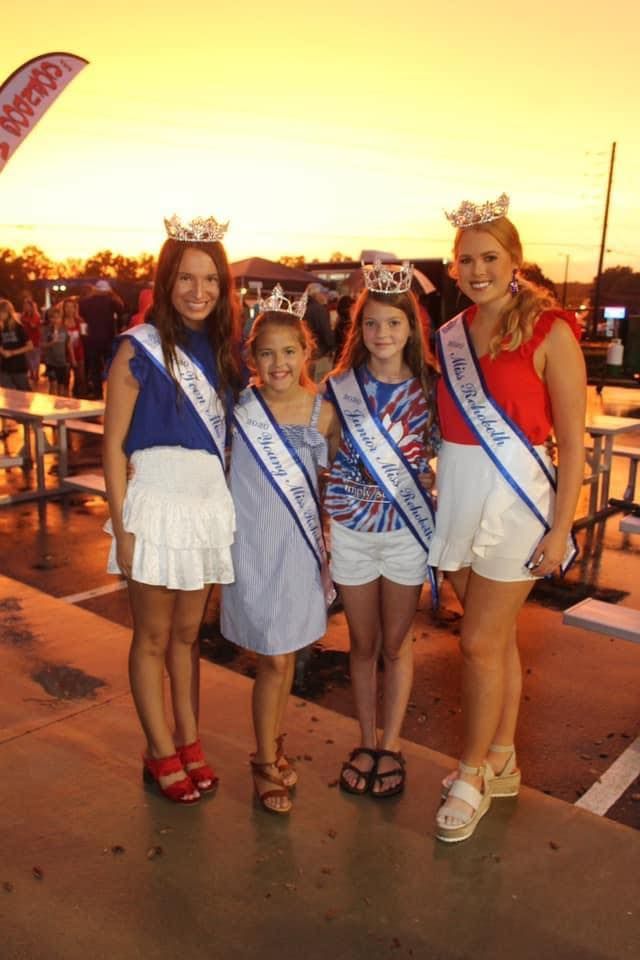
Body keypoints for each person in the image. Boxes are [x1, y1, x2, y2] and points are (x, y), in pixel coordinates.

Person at [430, 194, 586, 842]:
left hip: (516, 500)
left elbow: (575, 442)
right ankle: (502, 757)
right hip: (459, 494)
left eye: (489, 256)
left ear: (515, 260)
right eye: (466, 259)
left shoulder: (551, 329)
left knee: (475, 643)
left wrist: (561, 526)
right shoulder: (451, 333)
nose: (477, 268)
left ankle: (471, 771)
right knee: (496, 641)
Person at [103, 214, 241, 805]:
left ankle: (189, 740)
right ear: (166, 282)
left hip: (205, 500)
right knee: (153, 637)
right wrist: (125, 526)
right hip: (154, 501)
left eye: (209, 279)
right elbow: (111, 443)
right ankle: (159, 749)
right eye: (186, 278)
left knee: (188, 637)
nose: (198, 291)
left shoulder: (225, 350)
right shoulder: (138, 348)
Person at [221, 290, 340, 815]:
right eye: (267, 353)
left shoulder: (322, 414)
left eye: (289, 352)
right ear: (253, 358)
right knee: (272, 657)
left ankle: (274, 745)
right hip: (252, 547)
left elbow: (333, 482)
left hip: (297, 551)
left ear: (306, 352)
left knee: (287, 654)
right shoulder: (238, 409)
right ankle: (264, 760)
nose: (279, 364)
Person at [324, 261, 439, 799]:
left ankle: (391, 745)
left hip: (403, 534)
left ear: (410, 328)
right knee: (362, 643)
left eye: (393, 323)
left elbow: (447, 459)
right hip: (351, 529)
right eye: (371, 324)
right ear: (359, 329)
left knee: (396, 643)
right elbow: (317, 449)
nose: (382, 334)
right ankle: (365, 739)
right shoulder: (338, 387)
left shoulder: (431, 390)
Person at [80, 279, 125, 398]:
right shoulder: (111, 301)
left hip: (92, 339)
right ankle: (112, 393)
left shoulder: (86, 302)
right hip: (108, 339)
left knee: (95, 368)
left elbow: (82, 315)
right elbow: (122, 308)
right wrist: (113, 294)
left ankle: (98, 393)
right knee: (110, 367)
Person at [0, 298, 33, 391]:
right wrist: (3, 352)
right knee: (8, 394)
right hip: (5, 367)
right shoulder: (1, 328)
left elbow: (30, 346)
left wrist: (12, 352)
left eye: (1, 313)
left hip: (19, 367)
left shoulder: (18, 327)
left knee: (24, 394)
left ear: (8, 312)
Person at [304, 282, 335, 381]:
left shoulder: (305, 307)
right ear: (316, 294)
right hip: (320, 353)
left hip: (307, 352)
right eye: (323, 293)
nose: (325, 296)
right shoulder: (318, 309)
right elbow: (326, 332)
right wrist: (333, 347)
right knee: (319, 383)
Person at [42, 304, 71, 396]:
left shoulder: (64, 329)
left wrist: (72, 358)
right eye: (52, 318)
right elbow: (42, 345)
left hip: (62, 362)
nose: (55, 320)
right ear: (49, 319)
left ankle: (60, 403)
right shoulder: (46, 330)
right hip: (51, 362)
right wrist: (52, 342)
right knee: (53, 384)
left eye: (58, 318)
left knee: (61, 385)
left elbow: (68, 344)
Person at [62, 298, 86, 397]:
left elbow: (85, 335)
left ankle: (78, 399)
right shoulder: (60, 322)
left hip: (79, 353)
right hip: (64, 355)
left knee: (80, 379)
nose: (69, 309)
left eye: (71, 307)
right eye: (67, 307)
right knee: (65, 379)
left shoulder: (80, 321)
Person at [20, 295, 42, 388]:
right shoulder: (23, 316)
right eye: (24, 305)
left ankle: (36, 373)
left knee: (36, 358)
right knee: (28, 358)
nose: (26, 307)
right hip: (26, 340)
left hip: (35, 340)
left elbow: (34, 325)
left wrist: (27, 321)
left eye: (27, 305)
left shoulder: (36, 315)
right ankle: (32, 373)